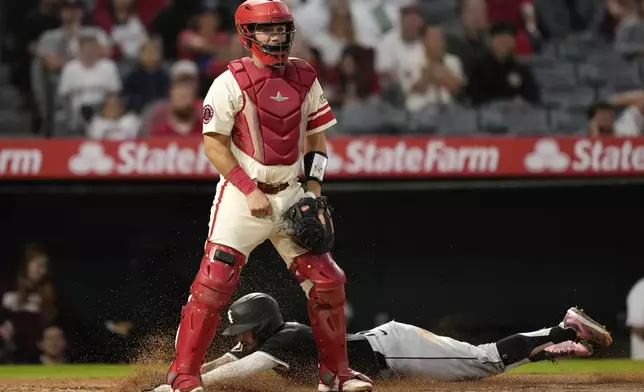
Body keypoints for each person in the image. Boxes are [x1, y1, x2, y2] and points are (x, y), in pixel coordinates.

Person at [164, 1, 371, 392]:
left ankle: (335, 374)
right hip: (243, 196)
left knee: (327, 283)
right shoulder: (229, 81)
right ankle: (183, 376)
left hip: (292, 192)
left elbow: (317, 139)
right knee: (214, 283)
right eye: (267, 30)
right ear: (248, 35)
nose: (276, 37)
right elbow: (213, 145)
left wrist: (313, 190)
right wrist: (248, 188)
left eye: (282, 29)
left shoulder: (306, 76)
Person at [147, 292, 612, 392]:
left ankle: (561, 329)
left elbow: (240, 368)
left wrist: (186, 388)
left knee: (482, 362)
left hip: (392, 348)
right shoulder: (274, 337)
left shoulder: (283, 339)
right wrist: (185, 376)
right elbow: (230, 357)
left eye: (243, 330)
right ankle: (551, 342)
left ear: (261, 326)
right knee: (482, 365)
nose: (239, 338)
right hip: (383, 347)